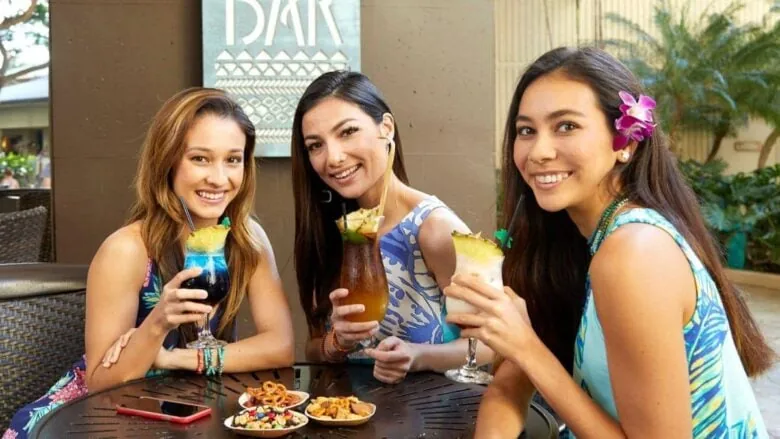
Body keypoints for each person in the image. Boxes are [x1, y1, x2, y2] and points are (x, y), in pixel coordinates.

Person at [444, 47, 773, 438]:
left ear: (626, 143)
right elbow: (508, 385)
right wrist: (518, 346)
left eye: (566, 126)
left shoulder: (634, 253)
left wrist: (526, 346)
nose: (538, 152)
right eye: (526, 130)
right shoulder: (575, 243)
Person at [3, 88, 295, 439]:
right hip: (91, 421)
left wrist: (175, 359)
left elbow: (280, 346)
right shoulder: (127, 249)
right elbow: (99, 381)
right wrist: (156, 324)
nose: (219, 178)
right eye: (200, 159)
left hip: (185, 414)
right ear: (168, 161)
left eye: (233, 160)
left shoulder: (248, 240)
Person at [291, 71, 493, 384]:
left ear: (386, 128)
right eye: (316, 145)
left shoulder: (434, 229)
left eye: (347, 132)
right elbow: (313, 350)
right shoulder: (337, 229)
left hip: (436, 419)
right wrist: (338, 342)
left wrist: (416, 356)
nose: (333, 157)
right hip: (349, 417)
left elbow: (492, 343)